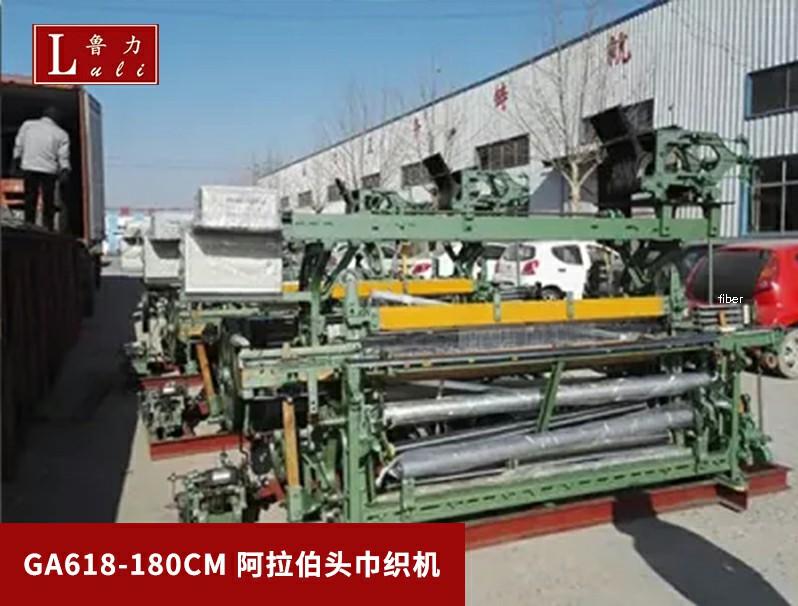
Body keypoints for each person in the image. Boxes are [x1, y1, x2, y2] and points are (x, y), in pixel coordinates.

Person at [12, 106, 71, 230]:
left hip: (29, 166)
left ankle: (29, 223)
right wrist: (65, 169)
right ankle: (48, 226)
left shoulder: (28, 125)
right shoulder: (62, 134)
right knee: (48, 200)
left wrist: (16, 160)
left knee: (30, 197)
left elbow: (19, 144)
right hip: (49, 170)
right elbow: (63, 156)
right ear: (56, 118)